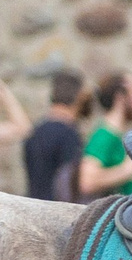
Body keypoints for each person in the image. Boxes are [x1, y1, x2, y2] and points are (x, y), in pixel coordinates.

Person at [75, 71, 132, 199]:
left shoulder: (115, 135)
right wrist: (127, 169)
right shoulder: (104, 135)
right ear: (120, 97)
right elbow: (87, 182)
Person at [23, 72, 87, 202]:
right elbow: (66, 181)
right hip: (55, 211)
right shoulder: (69, 134)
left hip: (33, 205)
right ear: (79, 98)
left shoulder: (35, 131)